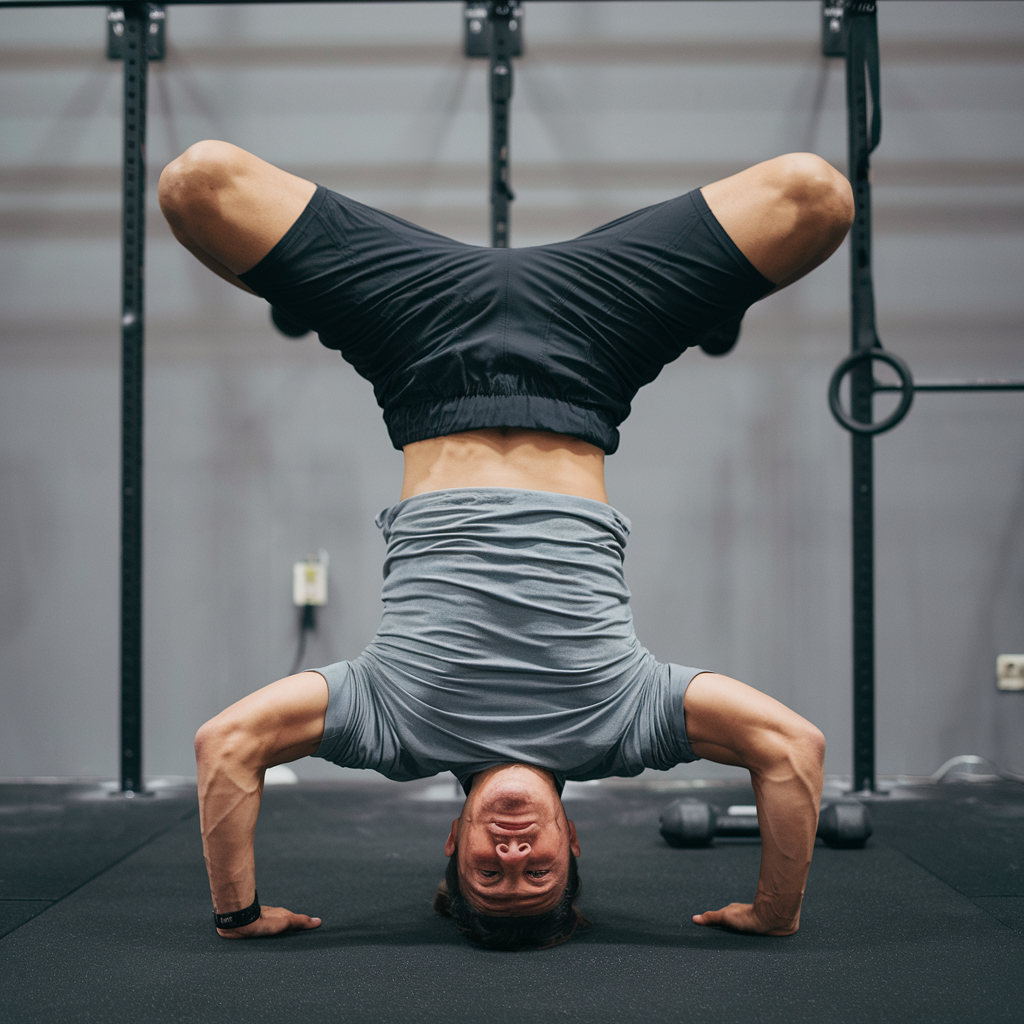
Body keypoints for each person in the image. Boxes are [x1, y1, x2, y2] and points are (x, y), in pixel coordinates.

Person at [158, 140, 853, 949]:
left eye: (490, 873)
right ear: (573, 844)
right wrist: (776, 912)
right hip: (592, 346)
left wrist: (238, 913)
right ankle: (709, 301)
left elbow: (227, 745)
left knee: (194, 183)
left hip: (419, 345)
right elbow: (791, 749)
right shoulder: (623, 726)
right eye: (537, 872)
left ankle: (293, 292)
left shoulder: (395, 728)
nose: (513, 853)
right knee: (817, 196)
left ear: (452, 843)